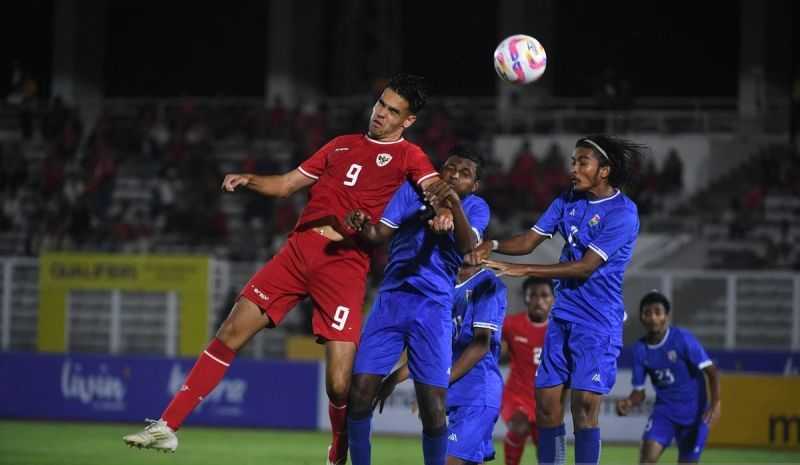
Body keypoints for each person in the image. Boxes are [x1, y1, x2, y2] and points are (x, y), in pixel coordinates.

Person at [123, 74, 443, 465]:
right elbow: (287, 184)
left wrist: (443, 210)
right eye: (381, 104)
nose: (381, 113)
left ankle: (338, 451)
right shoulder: (340, 144)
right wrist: (249, 180)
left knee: (340, 386)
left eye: (393, 111)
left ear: (407, 121)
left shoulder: (410, 155)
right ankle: (168, 427)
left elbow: (435, 186)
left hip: (345, 263)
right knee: (230, 333)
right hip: (298, 250)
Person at [470, 135, 646, 465]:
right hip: (562, 317)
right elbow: (528, 240)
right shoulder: (567, 200)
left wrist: (521, 271)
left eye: (582, 162)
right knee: (547, 407)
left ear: (604, 170)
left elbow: (584, 267)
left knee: (584, 409)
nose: (573, 168)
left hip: (597, 321)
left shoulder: (623, 213)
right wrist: (491, 243)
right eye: (573, 161)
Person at [344, 146, 490, 465]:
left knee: (433, 407)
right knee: (359, 393)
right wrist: (362, 223)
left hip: (434, 309)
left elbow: (468, 249)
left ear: (474, 186)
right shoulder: (411, 191)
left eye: (464, 174)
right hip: (392, 301)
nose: (453, 175)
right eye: (449, 168)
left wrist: (452, 207)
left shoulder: (477, 208)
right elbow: (377, 233)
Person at [375, 263, 507, 465]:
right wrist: (392, 380)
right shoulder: (447, 291)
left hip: (477, 397)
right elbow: (431, 356)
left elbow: (481, 346)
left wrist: (437, 386)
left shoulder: (486, 283)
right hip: (458, 400)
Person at [616, 291, 721, 464]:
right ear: (641, 318)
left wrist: (716, 403)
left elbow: (711, 371)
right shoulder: (640, 349)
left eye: (658, 312)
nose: (653, 318)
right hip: (664, 413)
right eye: (647, 313)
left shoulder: (682, 339)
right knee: (646, 458)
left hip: (694, 414)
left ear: (667, 316)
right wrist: (628, 402)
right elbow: (639, 392)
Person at [500, 277, 554, 465]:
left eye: (544, 295)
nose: (538, 300)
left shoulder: (559, 331)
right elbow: (497, 352)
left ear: (553, 299)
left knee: (546, 449)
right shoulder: (511, 325)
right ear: (525, 298)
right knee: (518, 426)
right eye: (533, 295)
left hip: (546, 400)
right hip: (516, 395)